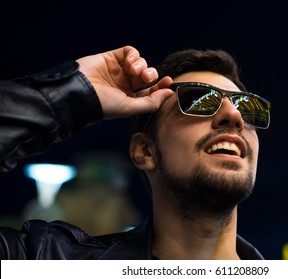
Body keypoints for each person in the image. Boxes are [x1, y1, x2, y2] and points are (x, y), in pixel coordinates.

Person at [0, 45, 271, 259]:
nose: (234, 115)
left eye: (247, 108)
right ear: (145, 151)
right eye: (198, 101)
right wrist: (70, 94)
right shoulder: (48, 259)